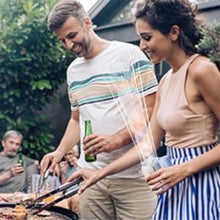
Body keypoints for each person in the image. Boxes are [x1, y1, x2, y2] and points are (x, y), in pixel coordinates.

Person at [69, 0, 220, 220]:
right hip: (173, 185)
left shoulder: (201, 70)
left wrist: (184, 169)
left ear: (174, 32)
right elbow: (148, 144)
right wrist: (99, 173)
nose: (142, 46)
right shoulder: (166, 81)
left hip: (201, 184)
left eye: (147, 37)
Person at [40, 0, 158, 219]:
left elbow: (151, 109)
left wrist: (116, 140)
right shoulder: (73, 71)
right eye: (62, 40)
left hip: (135, 178)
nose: (68, 45)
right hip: (90, 178)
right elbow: (76, 119)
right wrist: (59, 151)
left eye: (72, 36)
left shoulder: (130, 55)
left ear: (87, 23)